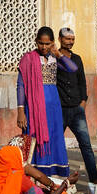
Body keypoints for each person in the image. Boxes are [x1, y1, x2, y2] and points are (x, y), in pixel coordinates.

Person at [15, 27, 77, 177]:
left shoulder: (55, 58)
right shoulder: (28, 58)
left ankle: (53, 175)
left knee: (54, 137)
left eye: (48, 43)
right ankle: (35, 175)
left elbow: (73, 68)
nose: (44, 47)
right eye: (41, 43)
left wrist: (59, 54)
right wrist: (21, 111)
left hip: (53, 107)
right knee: (34, 138)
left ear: (53, 43)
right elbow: (21, 85)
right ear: (36, 42)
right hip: (34, 108)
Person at [55, 27, 97, 184]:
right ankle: (57, 179)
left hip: (76, 109)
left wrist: (83, 103)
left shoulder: (77, 59)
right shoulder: (55, 59)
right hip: (59, 110)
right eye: (67, 39)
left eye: (72, 39)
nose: (70, 42)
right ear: (60, 39)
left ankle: (94, 179)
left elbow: (82, 82)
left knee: (86, 145)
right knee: (56, 145)